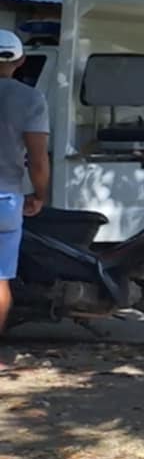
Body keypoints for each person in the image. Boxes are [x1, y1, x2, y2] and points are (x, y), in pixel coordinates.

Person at [0, 29, 52, 337]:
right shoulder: (31, 99)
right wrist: (39, 195)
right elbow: (38, 160)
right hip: (7, 199)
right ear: (20, 61)